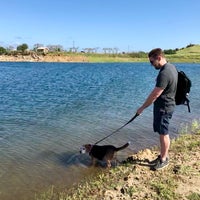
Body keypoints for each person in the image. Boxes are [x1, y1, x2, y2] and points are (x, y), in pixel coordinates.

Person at [136, 48, 178, 170]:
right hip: (168, 104)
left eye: (152, 62)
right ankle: (162, 155)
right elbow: (170, 82)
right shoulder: (171, 67)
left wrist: (142, 108)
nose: (151, 65)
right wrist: (161, 81)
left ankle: (164, 159)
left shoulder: (164, 73)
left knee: (163, 134)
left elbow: (155, 95)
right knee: (162, 132)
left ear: (159, 58)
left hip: (164, 108)